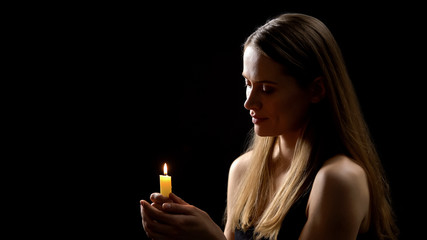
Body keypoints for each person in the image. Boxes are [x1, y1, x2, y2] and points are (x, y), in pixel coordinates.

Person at [140, 12, 399, 240]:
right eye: (248, 84)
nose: (248, 102)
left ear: (316, 89)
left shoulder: (338, 180)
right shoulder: (243, 170)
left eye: (267, 89)